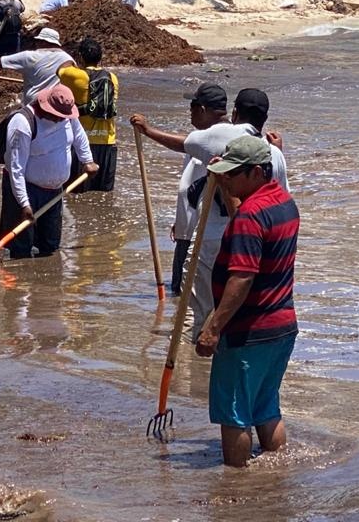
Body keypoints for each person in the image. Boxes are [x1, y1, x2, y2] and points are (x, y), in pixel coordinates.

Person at [130, 84, 288, 341]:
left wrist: (147, 130)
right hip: (256, 241)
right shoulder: (274, 152)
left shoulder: (221, 134)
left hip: (214, 238)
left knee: (201, 308)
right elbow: (282, 201)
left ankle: (199, 355)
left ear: (235, 113)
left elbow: (182, 144)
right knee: (238, 305)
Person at [197, 134, 299, 468]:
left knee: (235, 415)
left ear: (257, 172)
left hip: (248, 332)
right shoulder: (283, 203)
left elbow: (241, 279)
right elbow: (245, 211)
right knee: (266, 409)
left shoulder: (249, 219)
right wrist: (226, 185)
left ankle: (235, 488)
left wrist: (213, 328)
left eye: (233, 173)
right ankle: (274, 478)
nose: (225, 177)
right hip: (281, 327)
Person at [0, 84, 97, 259]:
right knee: (20, 248)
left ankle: (47, 284)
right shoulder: (23, 123)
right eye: (58, 116)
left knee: (50, 247)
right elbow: (16, 168)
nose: (62, 119)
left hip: (55, 192)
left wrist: (87, 160)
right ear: (46, 108)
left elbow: (79, 135)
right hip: (25, 189)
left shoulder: (67, 116)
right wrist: (24, 203)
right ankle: (20, 283)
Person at [58, 37, 119, 192]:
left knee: (75, 193)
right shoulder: (112, 78)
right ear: (100, 58)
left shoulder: (75, 76)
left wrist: (71, 60)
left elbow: (59, 69)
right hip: (107, 142)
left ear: (81, 57)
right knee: (103, 195)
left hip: (82, 143)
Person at [0, 27, 74, 106]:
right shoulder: (68, 59)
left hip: (35, 105)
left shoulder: (29, 56)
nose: (36, 44)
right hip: (59, 104)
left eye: (38, 41)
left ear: (43, 42)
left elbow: (1, 61)